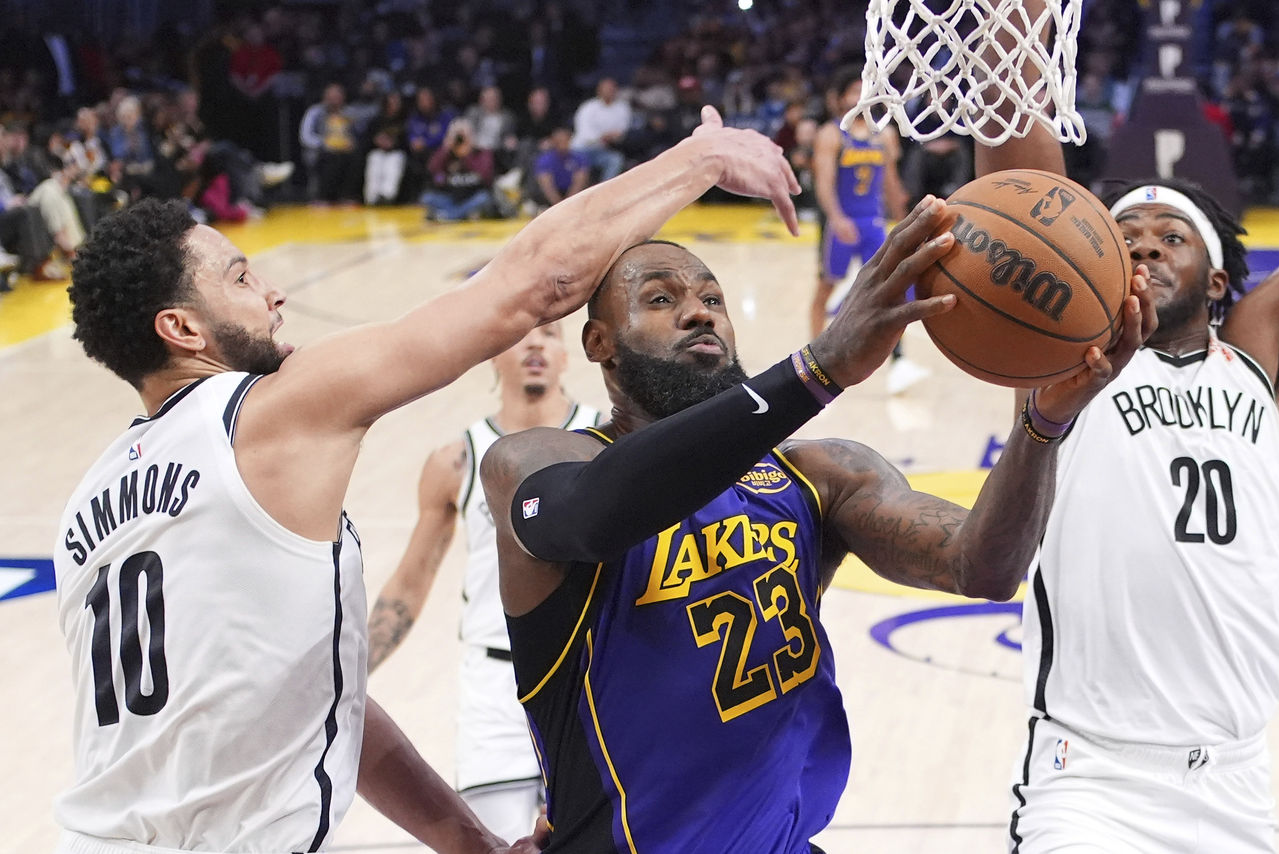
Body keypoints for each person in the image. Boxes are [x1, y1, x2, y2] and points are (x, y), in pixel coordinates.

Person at [52, 107, 801, 854]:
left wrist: (474, 846)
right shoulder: (265, 413)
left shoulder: (89, 503)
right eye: (242, 277)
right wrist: (701, 160)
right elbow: (533, 287)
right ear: (183, 330)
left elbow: (317, 700)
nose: (273, 293)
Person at [479, 205, 1155, 848]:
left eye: (712, 298)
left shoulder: (816, 476)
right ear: (599, 342)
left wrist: (1042, 424)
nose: (698, 312)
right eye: (660, 299)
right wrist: (816, 370)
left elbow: (982, 566)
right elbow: (596, 516)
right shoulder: (534, 461)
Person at [981, 3, 1279, 852]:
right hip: (1095, 781)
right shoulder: (1067, 358)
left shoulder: (1253, 367)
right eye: (1125, 238)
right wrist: (1013, 34)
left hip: (1245, 775)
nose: (1144, 247)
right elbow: (1021, 188)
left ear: (1218, 284)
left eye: (1171, 236)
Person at [367, 324, 600, 843]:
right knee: (492, 844)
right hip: (495, 688)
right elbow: (412, 578)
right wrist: (350, 671)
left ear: (568, 354)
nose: (535, 344)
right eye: (521, 335)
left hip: (591, 675)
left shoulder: (603, 440)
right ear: (493, 354)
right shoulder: (457, 459)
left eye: (550, 334)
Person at [811, 68, 924, 395]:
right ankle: (814, 357)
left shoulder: (884, 134)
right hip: (842, 222)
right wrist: (836, 218)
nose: (858, 98)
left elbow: (890, 182)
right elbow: (823, 183)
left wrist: (905, 221)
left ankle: (899, 361)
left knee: (891, 288)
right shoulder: (830, 134)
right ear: (839, 98)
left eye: (863, 92)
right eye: (852, 92)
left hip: (872, 221)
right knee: (826, 285)